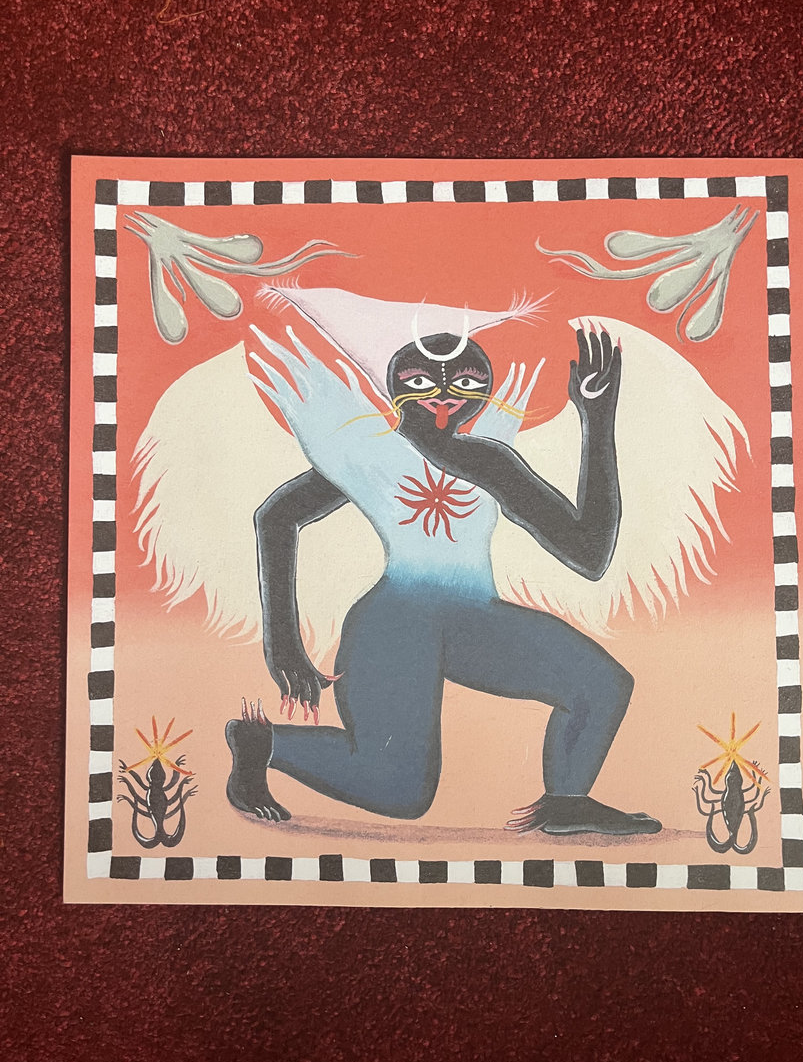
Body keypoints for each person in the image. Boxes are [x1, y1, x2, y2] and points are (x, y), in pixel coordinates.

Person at [225, 320, 661, 837]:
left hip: (474, 618)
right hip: (395, 622)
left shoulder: (490, 461)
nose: (443, 397)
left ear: (483, 393)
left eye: (466, 383)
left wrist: (597, 419)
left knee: (601, 684)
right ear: (395, 390)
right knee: (400, 792)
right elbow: (276, 516)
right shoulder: (375, 454)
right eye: (420, 382)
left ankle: (567, 802)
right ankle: (264, 744)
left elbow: (589, 553)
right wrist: (283, 642)